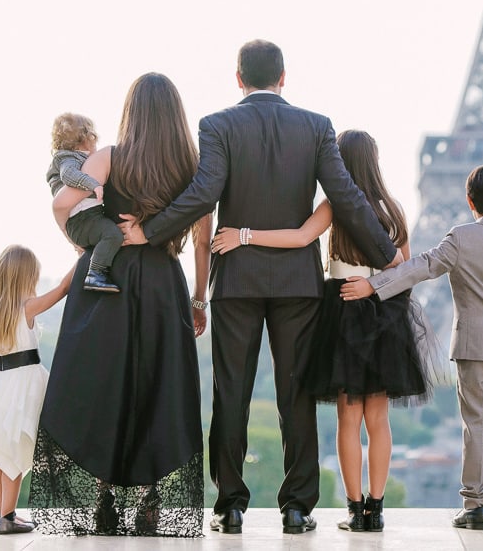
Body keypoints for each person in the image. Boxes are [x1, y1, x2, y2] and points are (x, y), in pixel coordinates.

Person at [121, 40, 401, 535]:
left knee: (231, 393)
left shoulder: (217, 125)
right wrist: (387, 258)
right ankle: (296, 508)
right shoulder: (317, 126)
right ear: (284, 77)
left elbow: (203, 195)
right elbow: (347, 197)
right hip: (298, 282)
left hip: (237, 278)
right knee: (295, 393)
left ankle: (230, 505)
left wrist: (152, 231)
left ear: (238, 78)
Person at [210, 129, 442, 533]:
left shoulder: (335, 204)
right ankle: (376, 507)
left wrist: (245, 235)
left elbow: (300, 237)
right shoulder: (393, 209)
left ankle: (353, 510)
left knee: (348, 420)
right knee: (379, 420)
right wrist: (375, 285)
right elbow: (405, 268)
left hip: (343, 314)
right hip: (384, 317)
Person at [29, 73, 211, 537]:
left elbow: (60, 204)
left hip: (106, 279)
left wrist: (80, 245)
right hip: (161, 283)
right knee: (157, 389)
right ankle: (149, 504)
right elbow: (204, 242)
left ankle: (104, 499)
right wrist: (198, 298)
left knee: (103, 387)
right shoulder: (194, 164)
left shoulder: (107, 156)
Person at [341, 164, 483, 532]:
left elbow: (422, 266)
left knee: (476, 425)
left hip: (474, 346)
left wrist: (374, 286)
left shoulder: (461, 238)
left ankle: (475, 506)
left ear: (469, 201)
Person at [0, 245, 74, 535]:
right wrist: (82, 257)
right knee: (15, 454)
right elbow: (63, 289)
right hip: (26, 387)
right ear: (26, 277)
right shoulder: (27, 307)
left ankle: (4, 513)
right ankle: (7, 518)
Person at [46, 112, 123, 292]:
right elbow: (69, 175)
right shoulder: (67, 158)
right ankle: (95, 274)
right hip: (81, 219)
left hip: (85, 217)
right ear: (85, 139)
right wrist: (93, 184)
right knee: (113, 234)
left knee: (112, 233)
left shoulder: (76, 157)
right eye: (94, 140)